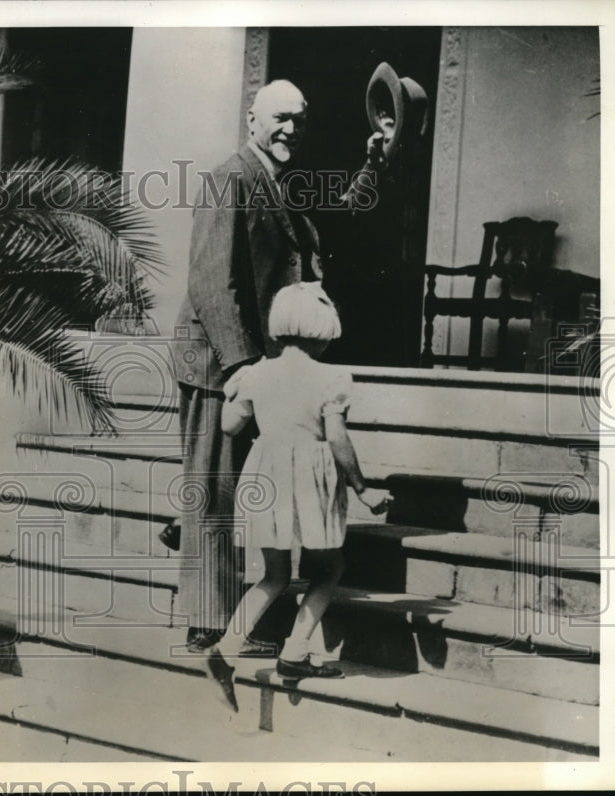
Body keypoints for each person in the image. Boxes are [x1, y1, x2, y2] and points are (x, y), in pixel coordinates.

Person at [171, 80, 386, 653]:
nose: (292, 128)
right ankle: (207, 622)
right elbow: (212, 280)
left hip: (257, 366)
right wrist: (241, 363)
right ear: (252, 120)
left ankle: (237, 608)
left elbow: (339, 220)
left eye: (301, 119)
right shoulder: (230, 178)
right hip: (219, 362)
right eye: (281, 118)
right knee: (214, 492)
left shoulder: (279, 183)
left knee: (244, 489)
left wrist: (373, 163)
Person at [204, 282, 391, 711]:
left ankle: (224, 653)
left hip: (266, 474)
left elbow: (230, 427)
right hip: (308, 476)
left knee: (274, 574)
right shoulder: (331, 377)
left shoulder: (255, 372)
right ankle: (294, 651)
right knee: (329, 567)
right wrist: (362, 488)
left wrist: (232, 393)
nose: (328, 344)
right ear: (318, 331)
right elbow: (337, 438)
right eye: (327, 336)